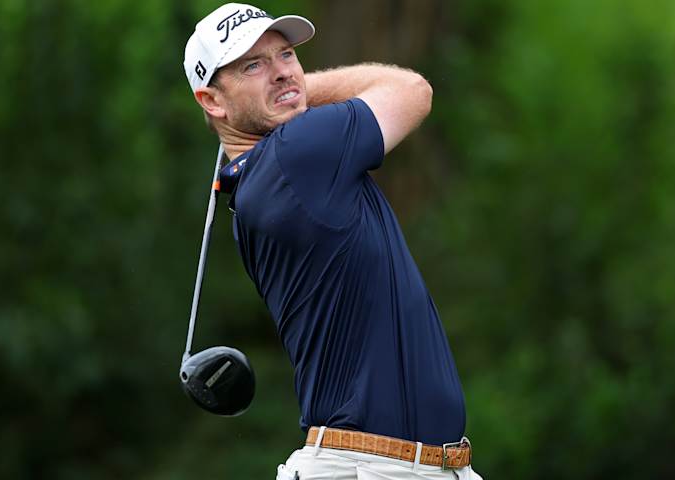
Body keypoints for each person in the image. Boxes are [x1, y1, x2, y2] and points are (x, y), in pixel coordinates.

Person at [183, 4, 482, 479]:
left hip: (397, 465)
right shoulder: (295, 154)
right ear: (213, 102)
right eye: (253, 66)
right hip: (372, 466)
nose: (281, 72)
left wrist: (276, 92)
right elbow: (412, 91)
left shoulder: (258, 183)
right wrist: (299, 92)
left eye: (285, 56)